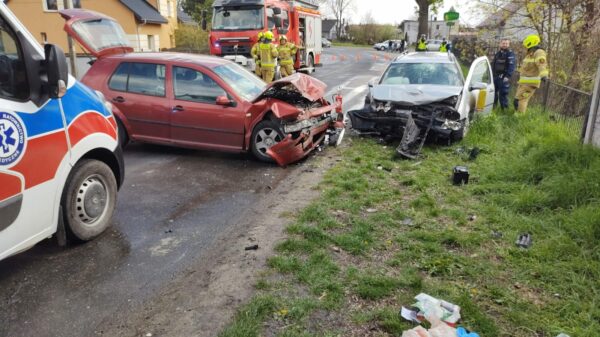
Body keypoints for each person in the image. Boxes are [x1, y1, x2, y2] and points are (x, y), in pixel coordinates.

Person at [514, 34, 549, 113]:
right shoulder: (530, 54)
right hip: (524, 83)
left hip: (530, 84)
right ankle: (518, 116)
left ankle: (519, 118)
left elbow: (541, 63)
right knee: (517, 101)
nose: (525, 47)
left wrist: (544, 75)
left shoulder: (539, 52)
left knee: (521, 100)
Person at [492, 38, 516, 110]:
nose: (505, 45)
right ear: (500, 44)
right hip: (495, 77)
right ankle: (493, 108)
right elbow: (493, 65)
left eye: (506, 43)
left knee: (503, 95)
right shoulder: (498, 54)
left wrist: (507, 76)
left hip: (503, 78)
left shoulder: (510, 54)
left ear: (508, 44)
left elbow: (511, 66)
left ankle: (504, 111)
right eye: (503, 43)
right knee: (493, 94)